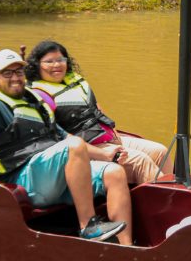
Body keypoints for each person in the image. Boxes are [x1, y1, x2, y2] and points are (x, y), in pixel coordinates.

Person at [0, 26, 134, 244]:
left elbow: (63, 137)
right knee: (74, 145)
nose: (15, 78)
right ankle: (88, 225)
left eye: (18, 72)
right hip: (23, 180)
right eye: (7, 73)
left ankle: (127, 248)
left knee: (114, 172)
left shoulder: (36, 102)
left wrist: (108, 155)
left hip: (53, 176)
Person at [24, 39, 173, 185]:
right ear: (37, 65)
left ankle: (174, 191)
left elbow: (97, 109)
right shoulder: (39, 94)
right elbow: (57, 137)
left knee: (160, 151)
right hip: (89, 148)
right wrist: (104, 152)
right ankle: (169, 201)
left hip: (109, 138)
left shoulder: (74, 81)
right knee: (140, 160)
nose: (56, 65)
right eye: (49, 61)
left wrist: (115, 135)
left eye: (60, 59)